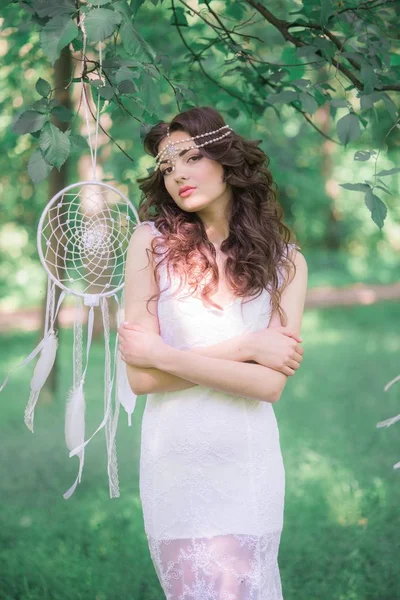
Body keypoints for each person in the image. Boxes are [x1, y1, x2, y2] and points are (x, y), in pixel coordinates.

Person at [118, 106, 308, 600]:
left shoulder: (287, 264)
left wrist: (163, 355)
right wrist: (247, 347)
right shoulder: (150, 245)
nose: (177, 173)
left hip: (247, 463)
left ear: (227, 160)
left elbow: (269, 385)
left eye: (190, 157)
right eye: (167, 166)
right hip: (176, 464)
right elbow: (141, 379)